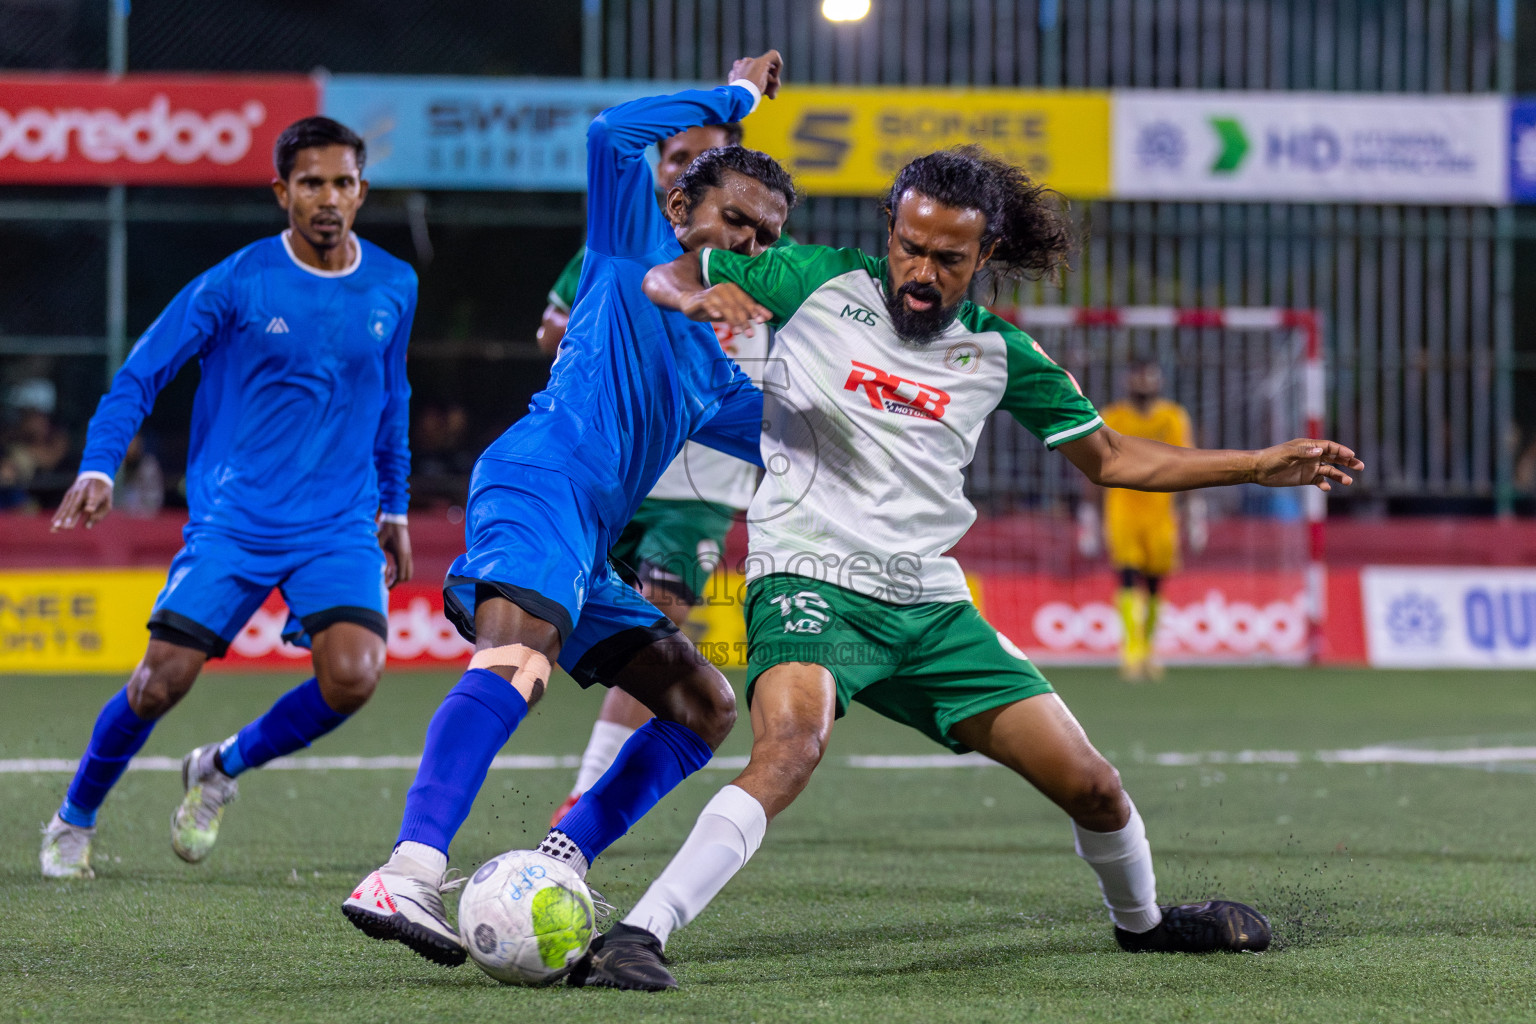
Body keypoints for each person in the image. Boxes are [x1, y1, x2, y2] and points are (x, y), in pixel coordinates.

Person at [569, 146, 1364, 990]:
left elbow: (1115, 457)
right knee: (793, 744)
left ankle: (1144, 923)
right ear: (891, 228)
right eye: (910, 247)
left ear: (984, 256)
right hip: (807, 577)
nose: (921, 272)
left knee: (1094, 786)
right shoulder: (814, 280)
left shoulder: (1000, 353)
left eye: (947, 259)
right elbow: (662, 271)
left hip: (929, 607)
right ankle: (638, 934)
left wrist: (1253, 466)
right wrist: (696, 293)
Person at [340, 56, 796, 969]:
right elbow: (610, 134)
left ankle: (561, 859)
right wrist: (735, 98)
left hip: (588, 544)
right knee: (517, 660)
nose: (747, 243)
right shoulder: (627, 244)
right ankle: (407, 870)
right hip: (538, 483)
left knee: (702, 705)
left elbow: (796, 436)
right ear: (680, 211)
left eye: (765, 236)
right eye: (734, 219)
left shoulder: (712, 369)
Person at [40, 116, 416, 879]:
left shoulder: (394, 283)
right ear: (282, 191)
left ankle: (221, 767)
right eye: (310, 182)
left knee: (354, 676)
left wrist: (396, 506)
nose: (328, 198)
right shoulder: (236, 281)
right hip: (235, 522)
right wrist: (100, 466)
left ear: (362, 191)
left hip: (338, 525)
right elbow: (141, 373)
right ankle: (74, 817)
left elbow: (392, 397)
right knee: (158, 684)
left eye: (343, 182)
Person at [538, 120, 794, 827]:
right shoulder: (620, 244)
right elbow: (549, 328)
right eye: (675, 158)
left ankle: (583, 793)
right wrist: (620, 330)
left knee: (663, 615)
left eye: (697, 159)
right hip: (620, 465)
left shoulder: (769, 255)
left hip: (706, 478)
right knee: (545, 624)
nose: (680, 169)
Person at [1079, 362, 1201, 680]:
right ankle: (1131, 651)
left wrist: (1195, 510)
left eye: (1149, 375)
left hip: (1161, 509)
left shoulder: (1173, 417)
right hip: (1124, 506)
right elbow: (1093, 462)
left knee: (1156, 581)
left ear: (1159, 380)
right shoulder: (1113, 416)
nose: (1144, 381)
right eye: (1138, 375)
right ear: (1126, 379)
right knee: (1128, 574)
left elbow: (1189, 462)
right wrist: (1089, 515)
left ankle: (1150, 649)